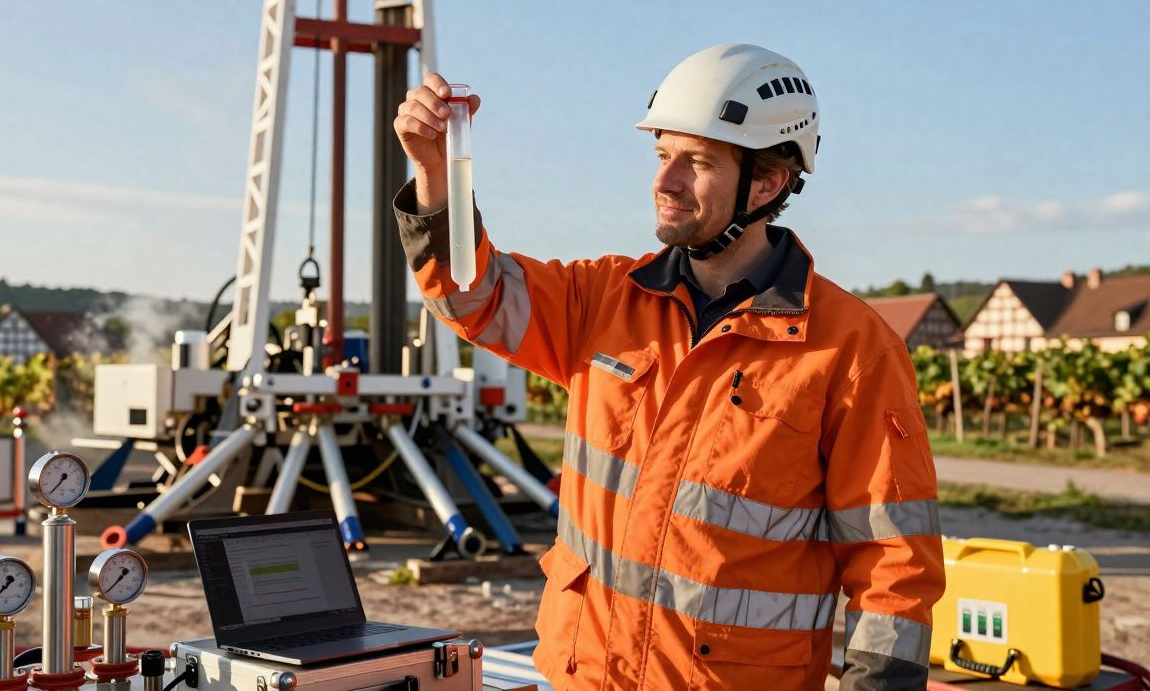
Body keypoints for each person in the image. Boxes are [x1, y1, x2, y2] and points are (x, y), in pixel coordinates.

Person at [392, 44, 944, 690]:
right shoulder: (602, 299)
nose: (665, 181)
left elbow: (894, 572)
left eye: (698, 162)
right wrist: (435, 172)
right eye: (661, 156)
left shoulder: (852, 352)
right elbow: (470, 295)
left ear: (767, 182)